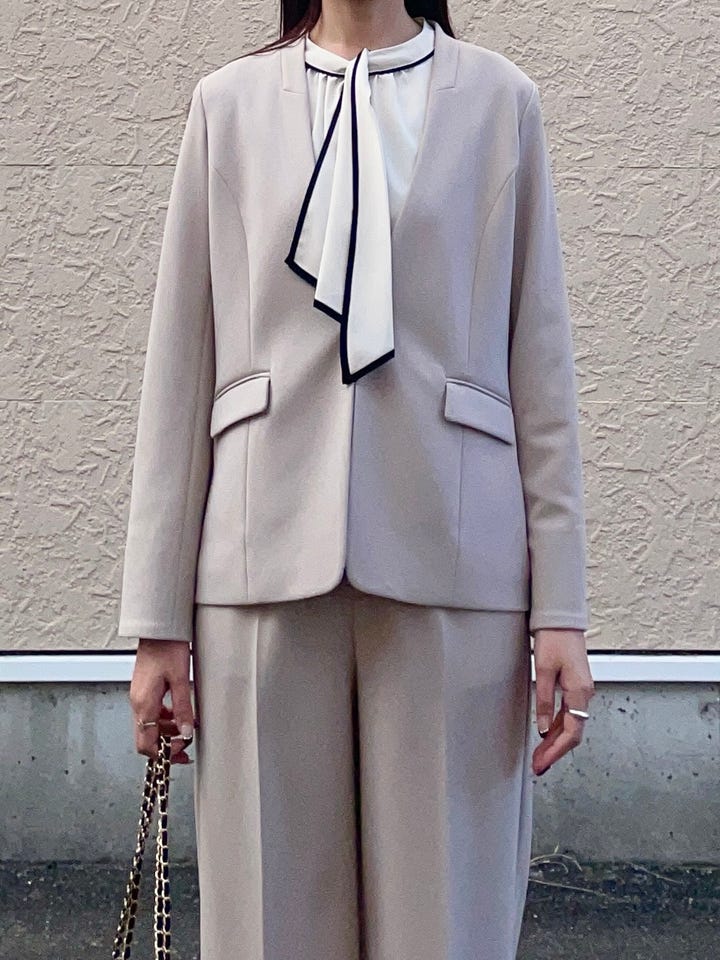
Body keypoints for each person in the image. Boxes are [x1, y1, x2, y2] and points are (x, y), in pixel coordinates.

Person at [118, 1, 596, 958]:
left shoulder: (500, 102)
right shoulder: (227, 106)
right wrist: (156, 620)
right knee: (268, 924)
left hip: (454, 560)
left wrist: (563, 610)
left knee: (444, 923)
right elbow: (180, 368)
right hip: (259, 558)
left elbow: (539, 367)